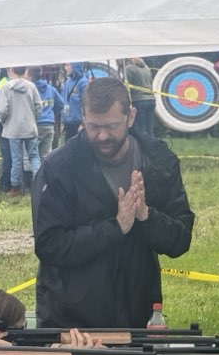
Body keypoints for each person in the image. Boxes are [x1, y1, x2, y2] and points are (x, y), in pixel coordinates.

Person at [32, 76, 195, 328]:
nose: (102, 135)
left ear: (130, 117)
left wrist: (146, 216)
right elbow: (49, 245)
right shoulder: (59, 167)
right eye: (94, 126)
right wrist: (115, 227)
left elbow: (180, 240)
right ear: (83, 117)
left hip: (137, 312)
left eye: (111, 126)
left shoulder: (159, 162)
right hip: (71, 319)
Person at [0, 67, 42, 197]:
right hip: (30, 128)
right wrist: (33, 119)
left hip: (13, 130)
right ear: (25, 71)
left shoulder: (5, 88)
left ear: (11, 70)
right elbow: (39, 106)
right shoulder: (31, 87)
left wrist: (5, 122)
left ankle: (15, 188)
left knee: (16, 159)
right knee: (34, 157)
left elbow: (2, 110)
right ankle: (39, 184)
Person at [27, 67, 64, 161]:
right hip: (49, 124)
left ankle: (35, 175)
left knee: (33, 155)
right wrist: (51, 112)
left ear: (30, 77)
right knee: (46, 155)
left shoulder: (30, 90)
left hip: (35, 125)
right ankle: (46, 174)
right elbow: (61, 104)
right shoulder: (51, 89)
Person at [124, 57, 156, 139]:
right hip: (151, 100)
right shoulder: (146, 68)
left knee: (139, 130)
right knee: (149, 130)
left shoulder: (129, 69)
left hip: (139, 101)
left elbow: (125, 86)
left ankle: (142, 149)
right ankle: (152, 148)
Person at [61, 63, 88, 141]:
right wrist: (63, 122)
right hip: (68, 124)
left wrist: (83, 123)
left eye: (68, 65)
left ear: (75, 65)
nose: (65, 68)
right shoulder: (67, 82)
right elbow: (64, 102)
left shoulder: (83, 82)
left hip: (79, 125)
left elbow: (86, 104)